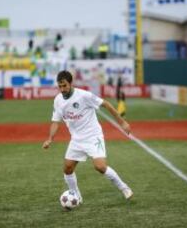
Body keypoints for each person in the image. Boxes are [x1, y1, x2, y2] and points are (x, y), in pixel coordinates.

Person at [42, 70, 133, 203]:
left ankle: (124, 188)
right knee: (67, 168)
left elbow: (106, 104)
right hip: (77, 140)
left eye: (64, 86)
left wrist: (122, 122)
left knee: (100, 167)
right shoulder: (58, 100)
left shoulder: (84, 96)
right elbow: (56, 121)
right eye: (59, 86)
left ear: (70, 83)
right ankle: (76, 195)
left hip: (93, 137)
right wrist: (50, 139)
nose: (62, 89)